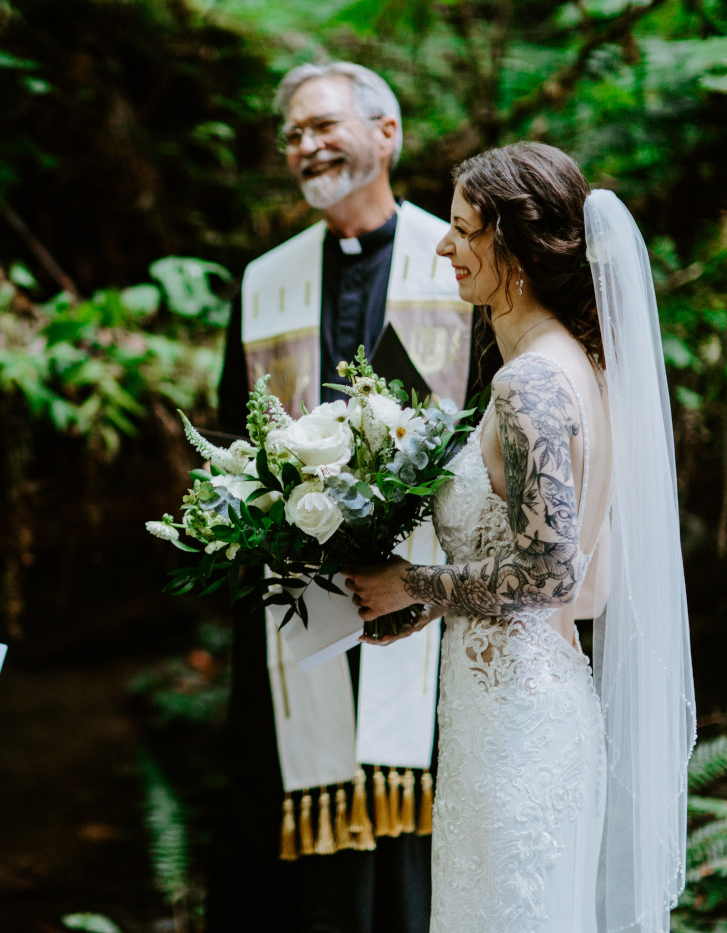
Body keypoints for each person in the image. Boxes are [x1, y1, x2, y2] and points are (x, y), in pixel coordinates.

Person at [344, 142, 695, 932]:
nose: (442, 244)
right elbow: (586, 583)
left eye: (463, 230)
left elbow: (548, 576)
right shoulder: (582, 367)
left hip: (517, 734)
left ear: (517, 249)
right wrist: (438, 606)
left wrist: (414, 582)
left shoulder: (532, 382)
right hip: (514, 710)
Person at [209, 62, 496, 933]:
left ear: (386, 134)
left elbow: (489, 419)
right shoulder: (263, 280)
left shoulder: (453, 261)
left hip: (425, 586)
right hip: (295, 591)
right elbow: (231, 432)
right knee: (291, 792)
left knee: (419, 792)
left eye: (324, 125)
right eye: (294, 133)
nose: (306, 145)